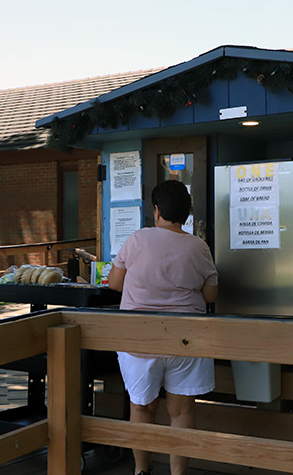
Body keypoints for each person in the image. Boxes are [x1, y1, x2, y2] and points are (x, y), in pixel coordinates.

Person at [108, 180, 218, 475]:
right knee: (182, 411)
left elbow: (115, 283)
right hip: (186, 338)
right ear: (186, 213)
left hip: (139, 339)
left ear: (157, 211)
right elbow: (210, 296)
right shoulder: (199, 246)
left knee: (142, 408)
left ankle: (141, 471)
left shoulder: (136, 240)